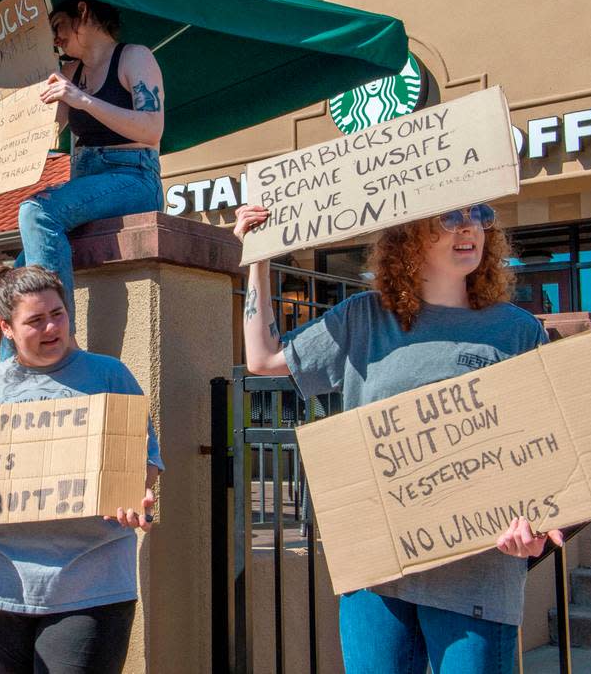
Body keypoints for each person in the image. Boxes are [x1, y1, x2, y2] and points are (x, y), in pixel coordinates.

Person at [235, 202, 561, 674]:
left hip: (478, 578)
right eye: (449, 216)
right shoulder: (364, 318)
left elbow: (549, 443)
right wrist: (258, 260)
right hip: (376, 574)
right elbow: (263, 359)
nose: (468, 227)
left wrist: (539, 529)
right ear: (410, 234)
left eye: (480, 214)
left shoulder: (517, 331)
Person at [0, 265, 163, 674]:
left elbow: (146, 461)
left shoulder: (109, 375)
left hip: (92, 582)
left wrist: (134, 494)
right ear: (7, 327)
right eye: (35, 320)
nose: (51, 327)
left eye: (58, 314)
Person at [0, 0, 165, 339]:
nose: (55, 38)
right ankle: (12, 377)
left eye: (58, 25)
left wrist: (81, 99)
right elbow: (34, 136)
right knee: (14, 287)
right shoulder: (69, 73)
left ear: (83, 12)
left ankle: (61, 337)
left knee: (37, 212)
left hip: (134, 177)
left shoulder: (134, 57)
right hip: (85, 184)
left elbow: (152, 129)